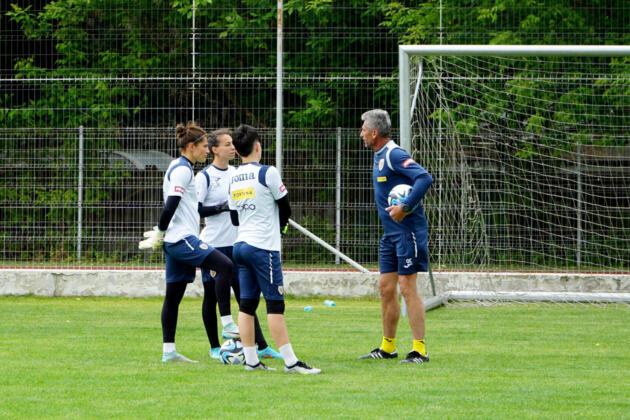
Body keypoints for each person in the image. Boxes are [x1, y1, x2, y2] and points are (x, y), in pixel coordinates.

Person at [228, 124, 320, 374]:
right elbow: (285, 207)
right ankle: (291, 362)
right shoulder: (267, 172)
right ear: (258, 146)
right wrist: (278, 228)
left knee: (246, 305)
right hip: (263, 248)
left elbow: (234, 218)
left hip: (240, 245)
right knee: (275, 305)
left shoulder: (232, 177)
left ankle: (251, 361)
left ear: (237, 151)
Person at [139, 121, 233, 363]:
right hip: (181, 239)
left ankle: (169, 351)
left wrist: (162, 234)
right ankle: (228, 325)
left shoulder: (180, 166)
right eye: (204, 146)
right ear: (191, 146)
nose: (207, 151)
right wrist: (161, 231)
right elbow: (171, 204)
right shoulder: (182, 170)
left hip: (175, 239)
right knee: (225, 265)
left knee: (173, 296)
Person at [195, 128, 282, 360]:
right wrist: (220, 207)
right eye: (227, 144)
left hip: (237, 243)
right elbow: (197, 209)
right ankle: (215, 347)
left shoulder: (238, 173)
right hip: (214, 245)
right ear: (214, 149)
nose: (232, 148)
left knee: (246, 297)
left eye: (233, 144)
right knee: (211, 295)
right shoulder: (205, 176)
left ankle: (261, 346)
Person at [358, 109, 434, 364]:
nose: (361, 134)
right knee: (385, 287)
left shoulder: (393, 154)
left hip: (408, 232)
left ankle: (419, 350)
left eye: (363, 130)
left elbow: (424, 178)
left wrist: (406, 206)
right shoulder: (379, 155)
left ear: (374, 133)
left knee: (407, 287)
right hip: (390, 234)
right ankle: (387, 347)